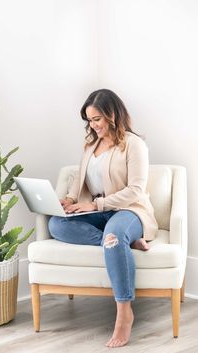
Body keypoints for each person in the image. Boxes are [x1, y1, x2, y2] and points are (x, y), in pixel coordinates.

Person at [48, 88, 158, 348]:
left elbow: (135, 190)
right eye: (89, 120)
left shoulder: (134, 144)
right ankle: (122, 243)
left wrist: (95, 204)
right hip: (98, 211)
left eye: (96, 119)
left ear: (112, 114)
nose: (93, 125)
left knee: (113, 232)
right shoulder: (91, 145)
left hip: (129, 210)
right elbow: (79, 180)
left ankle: (124, 312)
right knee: (57, 224)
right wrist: (70, 200)